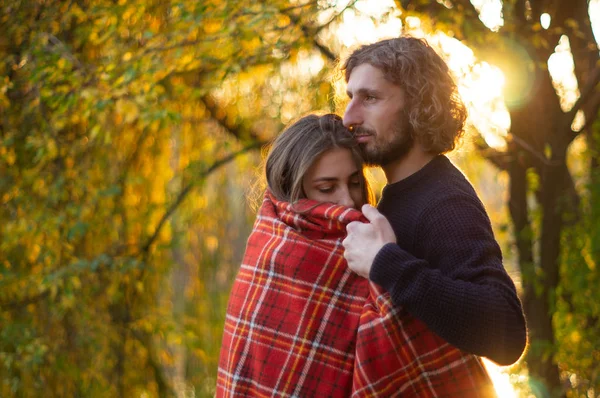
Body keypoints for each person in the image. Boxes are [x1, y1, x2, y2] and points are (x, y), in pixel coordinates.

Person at [217, 113, 496, 397]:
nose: (348, 201)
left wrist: (388, 262)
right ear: (293, 189)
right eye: (327, 188)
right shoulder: (271, 253)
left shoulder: (374, 240)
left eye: (354, 183)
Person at [340, 36, 528, 367]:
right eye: (350, 97)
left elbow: (507, 332)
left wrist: (387, 263)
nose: (348, 117)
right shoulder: (401, 193)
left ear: (418, 105)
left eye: (370, 98)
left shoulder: (444, 201)